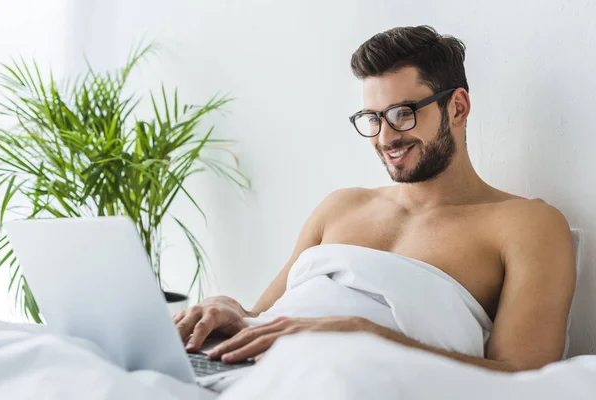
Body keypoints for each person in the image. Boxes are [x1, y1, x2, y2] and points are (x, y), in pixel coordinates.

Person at [173, 25, 575, 372]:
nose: (385, 139)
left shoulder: (526, 225)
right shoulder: (341, 206)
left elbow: (525, 378)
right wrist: (227, 306)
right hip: (244, 371)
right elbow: (259, 318)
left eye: (402, 113)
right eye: (372, 118)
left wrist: (367, 336)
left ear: (457, 106)